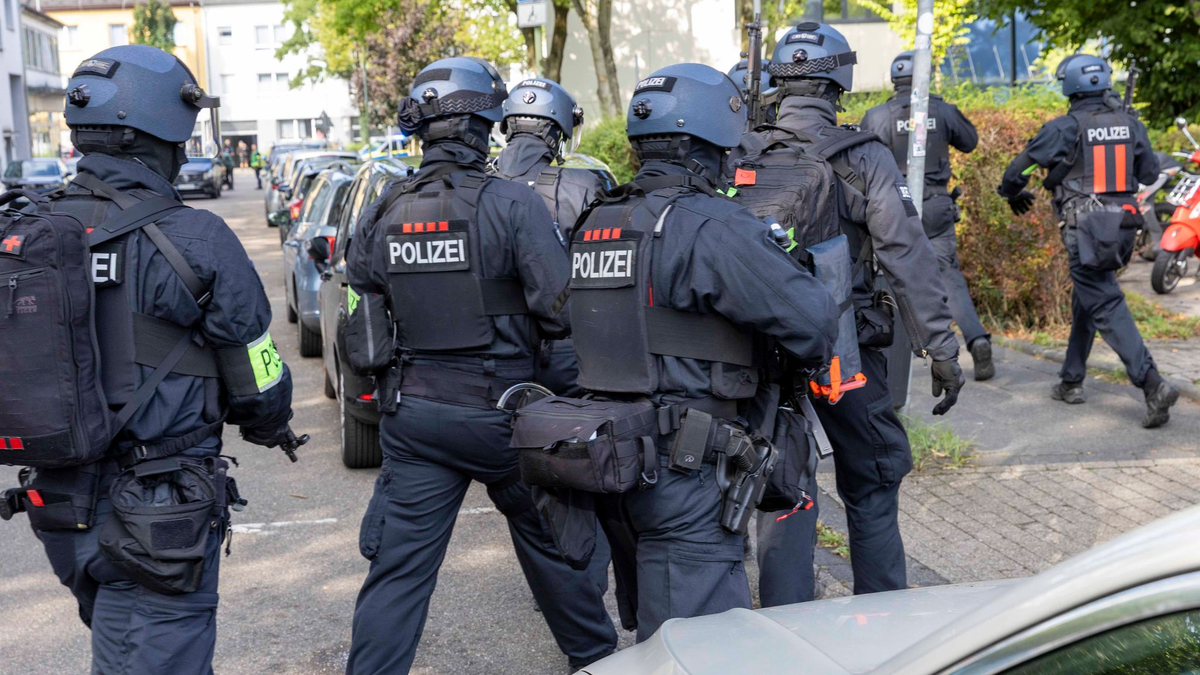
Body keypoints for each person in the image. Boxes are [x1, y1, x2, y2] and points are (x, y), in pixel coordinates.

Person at [4, 44, 301, 674]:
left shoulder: (34, 233)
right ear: (163, 131)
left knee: (125, 647)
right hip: (160, 513)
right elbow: (257, 368)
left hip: (59, 508)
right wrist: (272, 425)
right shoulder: (195, 237)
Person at [340, 57, 618, 674]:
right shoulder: (513, 204)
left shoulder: (386, 207)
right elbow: (560, 310)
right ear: (484, 124)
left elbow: (360, 305)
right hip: (505, 419)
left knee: (398, 576)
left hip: (414, 419)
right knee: (554, 551)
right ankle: (598, 662)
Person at [555, 62, 839, 641]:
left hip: (612, 460)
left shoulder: (598, 219)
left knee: (653, 633)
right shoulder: (712, 225)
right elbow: (813, 323)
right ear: (708, 146)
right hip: (685, 469)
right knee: (698, 646)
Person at [731, 22, 964, 607]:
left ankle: (785, 625)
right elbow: (906, 258)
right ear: (841, 79)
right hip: (842, 351)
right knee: (873, 478)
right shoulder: (861, 155)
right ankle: (884, 626)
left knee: (780, 483)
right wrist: (941, 349)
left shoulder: (736, 153)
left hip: (752, 350)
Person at [998, 54, 1178, 427]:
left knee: (1105, 302)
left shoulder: (1063, 127)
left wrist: (1013, 192)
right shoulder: (1131, 124)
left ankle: (1152, 383)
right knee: (1090, 297)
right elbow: (1148, 173)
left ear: (1070, 85)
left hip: (1085, 229)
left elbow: (1020, 169)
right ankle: (1071, 380)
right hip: (1124, 227)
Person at [861, 51, 993, 381]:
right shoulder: (942, 110)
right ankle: (976, 339)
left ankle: (901, 364)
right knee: (948, 276)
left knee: (897, 276)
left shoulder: (877, 115)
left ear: (894, 81)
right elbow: (970, 141)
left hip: (894, 208)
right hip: (936, 205)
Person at [491, 77, 602, 395]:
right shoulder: (580, 185)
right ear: (557, 132)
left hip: (491, 353)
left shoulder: (477, 184)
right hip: (564, 353)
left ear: (509, 126)